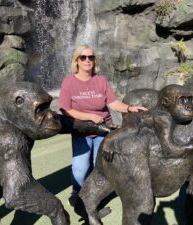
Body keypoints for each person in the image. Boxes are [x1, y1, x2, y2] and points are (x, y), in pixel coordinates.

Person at [58, 44, 147, 206]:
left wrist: (129, 108)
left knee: (99, 166)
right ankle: (77, 194)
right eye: (83, 57)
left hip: (104, 130)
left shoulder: (100, 80)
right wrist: (90, 116)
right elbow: (65, 110)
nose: (87, 60)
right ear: (76, 61)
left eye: (91, 57)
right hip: (81, 131)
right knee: (80, 167)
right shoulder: (69, 82)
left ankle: (95, 197)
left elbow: (113, 103)